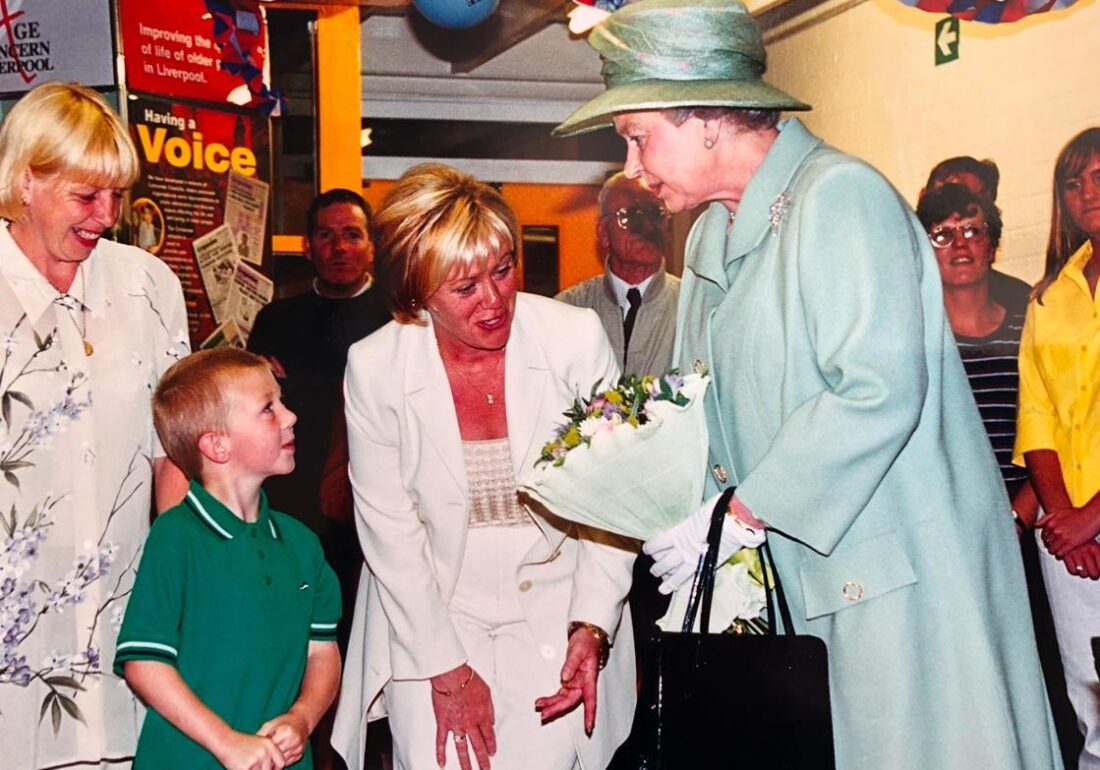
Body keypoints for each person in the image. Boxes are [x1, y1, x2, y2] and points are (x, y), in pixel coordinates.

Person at [554, 1, 1063, 768]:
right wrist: (685, 518)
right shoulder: (712, 239)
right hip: (797, 594)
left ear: (708, 119)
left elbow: (877, 390)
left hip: (896, 592)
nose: (630, 166)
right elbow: (708, 409)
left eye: (636, 136)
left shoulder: (840, 198)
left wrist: (744, 512)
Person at [331, 163, 635, 770]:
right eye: (464, 287)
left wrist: (592, 626)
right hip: (430, 612)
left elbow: (614, 499)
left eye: (502, 270)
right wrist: (445, 670)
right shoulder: (376, 368)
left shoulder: (574, 340)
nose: (495, 299)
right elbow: (391, 534)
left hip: (560, 605)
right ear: (417, 291)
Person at [0, 81, 190, 767]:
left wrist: (178, 586)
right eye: (87, 196)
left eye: (116, 195)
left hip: (122, 616)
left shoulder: (147, 286)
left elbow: (172, 451)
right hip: (13, 632)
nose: (106, 215)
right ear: (26, 181)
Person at [115, 348, 342, 770]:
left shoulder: (302, 544)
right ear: (217, 444)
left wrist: (302, 717)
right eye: (268, 408)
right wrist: (226, 744)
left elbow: (322, 653)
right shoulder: (177, 538)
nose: (290, 417)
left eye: (283, 402)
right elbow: (143, 662)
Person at [1015, 126, 1100, 770]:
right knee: (1090, 703)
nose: (1088, 191)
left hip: (1084, 522)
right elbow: (1037, 416)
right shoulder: (1050, 296)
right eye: (1074, 181)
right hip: (1068, 536)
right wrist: (1064, 516)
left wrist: (1090, 517)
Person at [916, 184, 1036, 521]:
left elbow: (1052, 429)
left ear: (993, 245)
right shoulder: (914, 338)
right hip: (947, 516)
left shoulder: (1029, 326)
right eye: (941, 234)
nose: (959, 244)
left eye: (972, 230)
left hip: (1028, 513)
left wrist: (1016, 520)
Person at [557, 172, 678, 376]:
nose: (647, 227)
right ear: (603, 232)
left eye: (656, 214)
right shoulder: (569, 309)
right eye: (631, 215)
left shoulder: (690, 307)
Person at [921, 155, 1032, 313]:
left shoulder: (1018, 298)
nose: (962, 207)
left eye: (978, 199)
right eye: (951, 194)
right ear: (924, 198)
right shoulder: (905, 293)